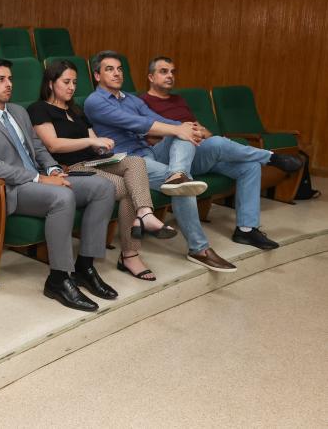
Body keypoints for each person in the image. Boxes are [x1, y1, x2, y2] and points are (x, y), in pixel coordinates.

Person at [84, 51, 302, 272]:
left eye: (120, 69)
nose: (117, 73)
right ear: (97, 75)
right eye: (109, 69)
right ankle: (199, 249)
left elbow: (157, 119)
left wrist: (190, 128)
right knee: (183, 180)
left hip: (152, 151)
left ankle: (265, 160)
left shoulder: (130, 98)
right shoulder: (95, 102)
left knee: (194, 138)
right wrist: (179, 128)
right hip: (130, 161)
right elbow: (137, 123)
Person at [0, 58, 118, 310]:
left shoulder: (18, 111)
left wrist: (53, 169)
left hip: (40, 179)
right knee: (62, 198)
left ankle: (85, 267)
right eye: (1, 79)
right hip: (12, 188)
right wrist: (39, 178)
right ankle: (58, 278)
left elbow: (38, 148)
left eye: (10, 78)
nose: (8, 84)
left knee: (103, 188)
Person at [28, 59, 176, 281]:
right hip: (72, 168)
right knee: (126, 188)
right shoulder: (39, 109)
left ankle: (145, 214)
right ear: (50, 83)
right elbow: (53, 144)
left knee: (136, 161)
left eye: (74, 82)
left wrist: (102, 146)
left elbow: (93, 139)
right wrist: (90, 143)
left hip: (95, 162)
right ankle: (130, 254)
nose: (71, 87)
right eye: (66, 82)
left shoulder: (75, 109)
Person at [139, 55, 303, 247]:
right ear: (151, 77)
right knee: (214, 142)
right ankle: (270, 157)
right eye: (163, 71)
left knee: (249, 167)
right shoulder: (142, 102)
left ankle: (246, 230)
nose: (170, 76)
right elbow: (148, 137)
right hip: (172, 158)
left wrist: (198, 131)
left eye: (173, 72)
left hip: (199, 152)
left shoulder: (178, 100)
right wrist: (182, 131)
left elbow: (204, 130)